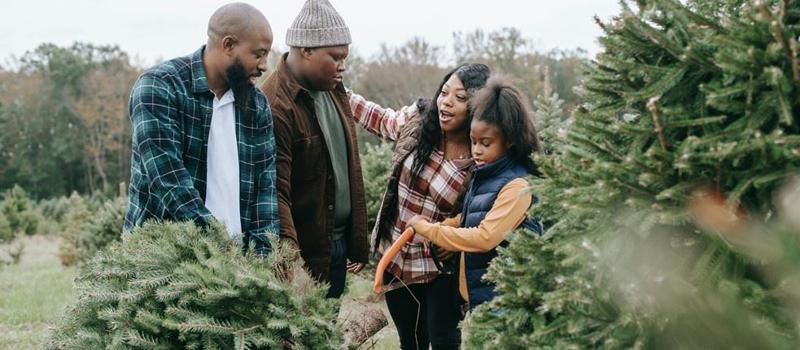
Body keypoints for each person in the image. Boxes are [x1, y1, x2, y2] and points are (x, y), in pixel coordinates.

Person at [349, 63, 491, 349]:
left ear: (477, 106)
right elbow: (380, 119)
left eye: (460, 98)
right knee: (410, 341)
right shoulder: (418, 120)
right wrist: (338, 89)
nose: (447, 102)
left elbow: (489, 206)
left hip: (441, 267)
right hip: (398, 258)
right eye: (445, 92)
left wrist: (457, 239)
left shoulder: (481, 151)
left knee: (443, 341)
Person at [124, 3, 278, 256]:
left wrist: (262, 260)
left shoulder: (256, 104)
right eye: (258, 54)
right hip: (163, 261)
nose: (264, 66)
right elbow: (168, 180)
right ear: (228, 45)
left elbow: (265, 189)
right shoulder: (159, 87)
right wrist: (219, 247)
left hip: (238, 268)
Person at [260, 0, 368, 299]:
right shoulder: (275, 104)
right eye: (335, 57)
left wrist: (356, 242)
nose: (343, 65)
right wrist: (290, 265)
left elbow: (348, 165)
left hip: (337, 245)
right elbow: (275, 192)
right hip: (305, 255)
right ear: (306, 49)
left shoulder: (334, 90)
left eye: (345, 57)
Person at [408, 76, 544, 309]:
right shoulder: (487, 173)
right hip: (480, 302)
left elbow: (485, 237)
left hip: (503, 305)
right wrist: (452, 222)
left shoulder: (517, 186)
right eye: (473, 142)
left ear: (509, 140)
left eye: (486, 143)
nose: (477, 151)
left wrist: (429, 230)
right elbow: (481, 212)